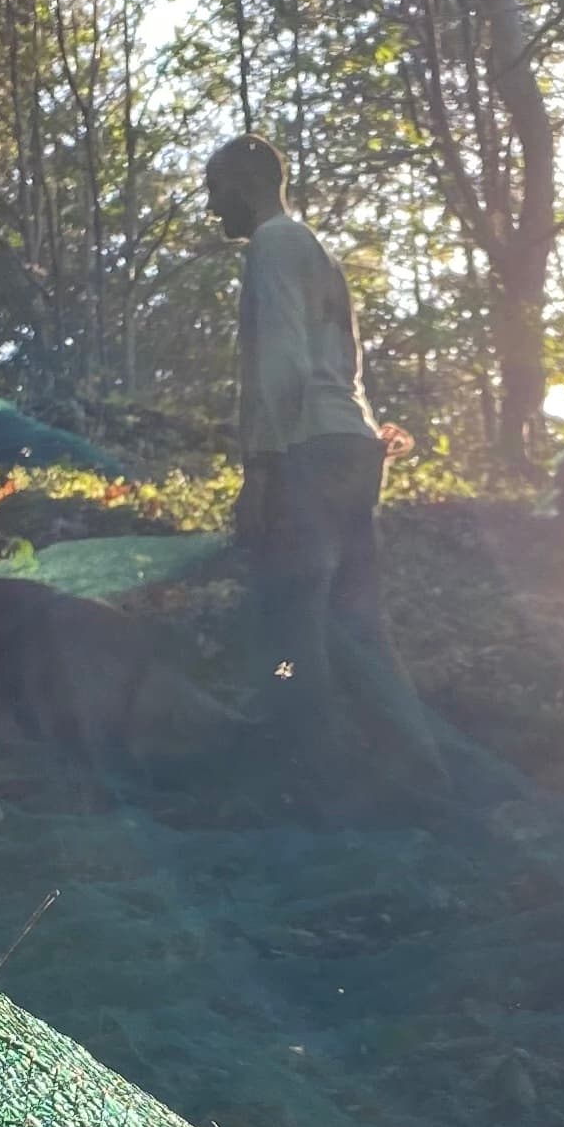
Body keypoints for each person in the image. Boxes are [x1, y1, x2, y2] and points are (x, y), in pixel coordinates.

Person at [204, 133, 448, 797]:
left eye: (216, 190)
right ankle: (421, 774)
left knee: (289, 626)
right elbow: (345, 362)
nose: (211, 206)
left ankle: (310, 779)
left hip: (306, 452)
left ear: (248, 183)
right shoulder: (314, 250)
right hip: (348, 446)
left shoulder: (272, 244)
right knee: (356, 622)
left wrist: (262, 469)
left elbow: (283, 361)